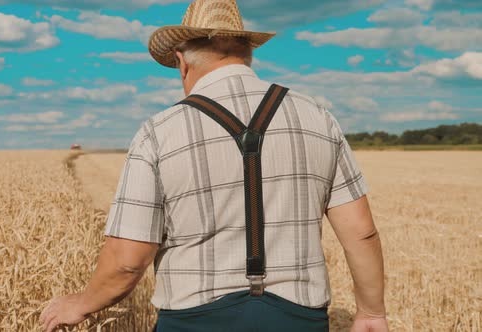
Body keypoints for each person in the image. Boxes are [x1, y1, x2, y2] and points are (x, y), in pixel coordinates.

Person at [40, 0, 389, 331]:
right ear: (247, 52)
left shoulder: (158, 133)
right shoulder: (317, 117)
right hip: (298, 319)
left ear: (182, 61)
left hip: (194, 321)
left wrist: (81, 303)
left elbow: (128, 260)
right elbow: (361, 232)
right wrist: (371, 311)